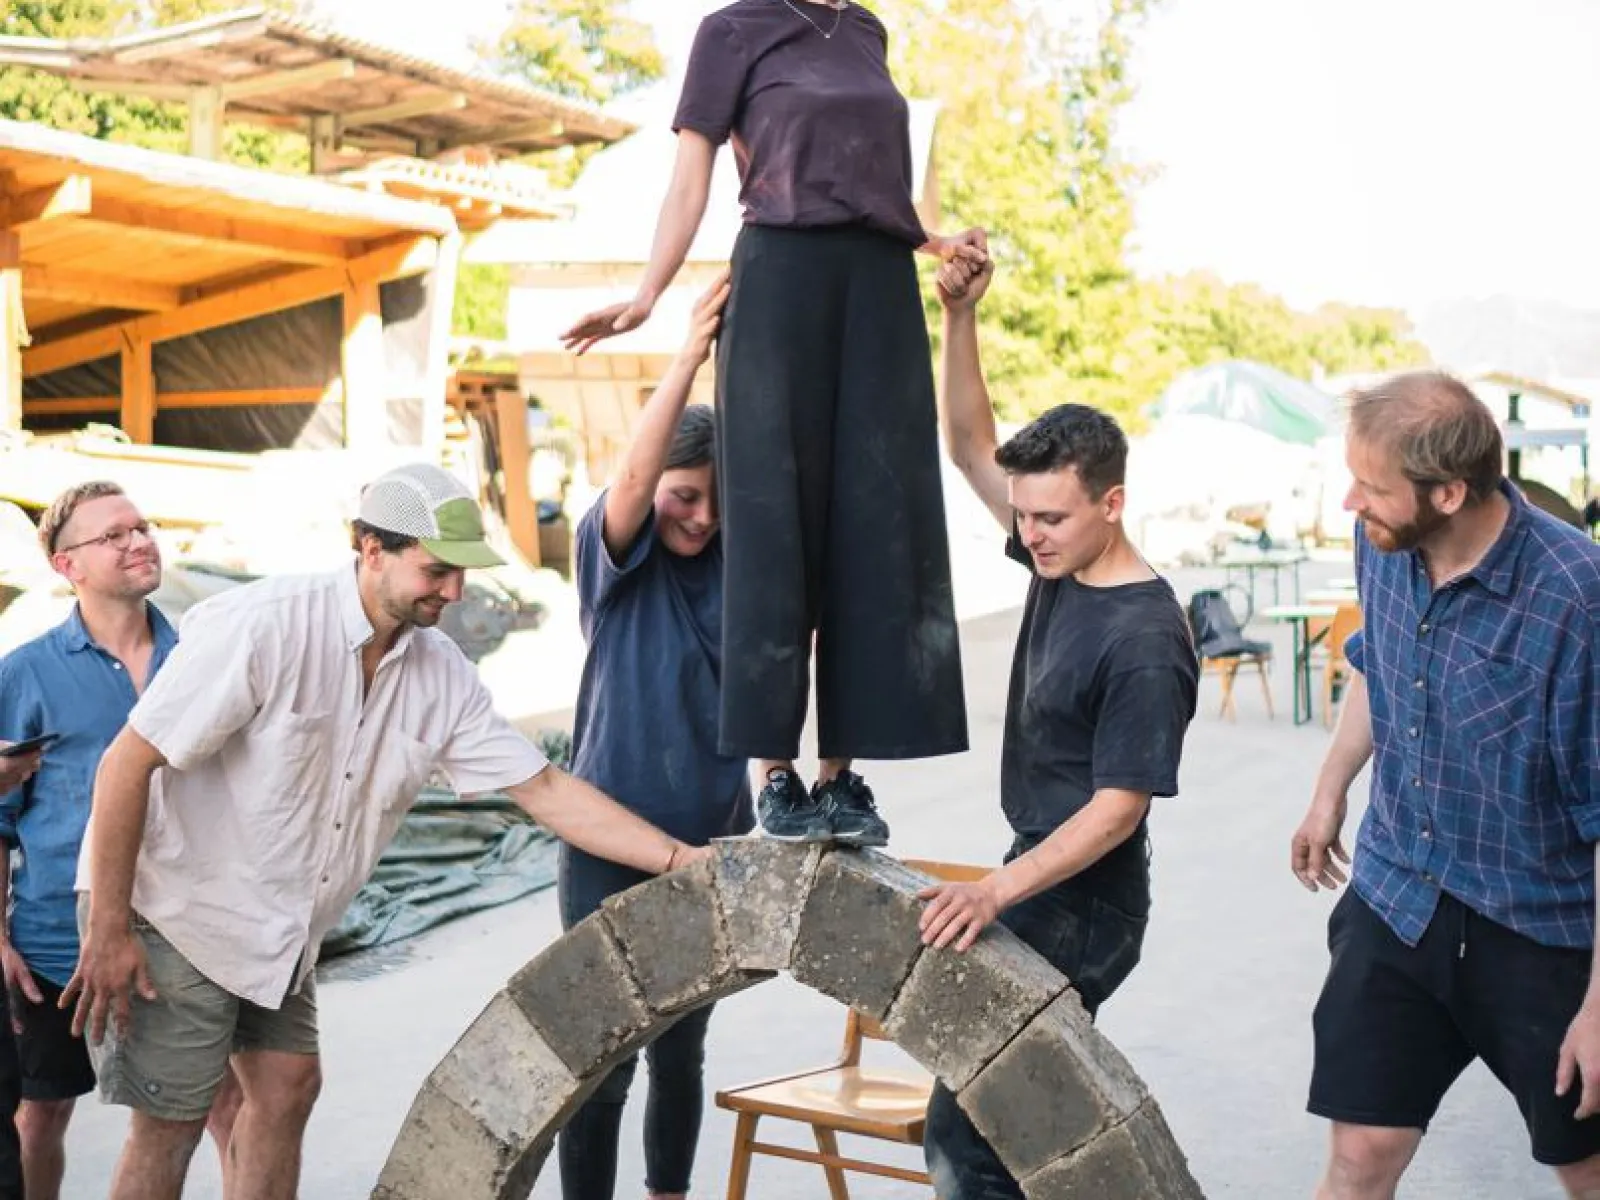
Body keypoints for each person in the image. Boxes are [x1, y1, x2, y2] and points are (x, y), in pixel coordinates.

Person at [62, 463, 716, 1200]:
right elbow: (126, 764)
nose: (455, 592)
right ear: (371, 549)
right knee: (172, 1123)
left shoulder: (439, 672)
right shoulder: (266, 627)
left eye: (462, 573)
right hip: (174, 908)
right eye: (437, 570)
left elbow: (544, 789)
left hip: (279, 924)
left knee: (287, 1087)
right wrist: (110, 928)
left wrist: (677, 857)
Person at [560, 0, 989, 848]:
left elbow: (863, 181)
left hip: (877, 288)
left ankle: (841, 779)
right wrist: (649, 296)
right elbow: (692, 182)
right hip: (779, 282)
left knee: (874, 521)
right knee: (772, 521)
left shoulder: (866, 29)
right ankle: (775, 774)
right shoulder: (732, 30)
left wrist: (932, 241)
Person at [916, 256, 1199, 1197]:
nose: (1029, 534)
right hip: (1041, 866)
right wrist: (960, 316)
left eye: (1051, 518)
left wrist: (999, 892)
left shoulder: (1146, 637)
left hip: (1089, 902)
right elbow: (967, 443)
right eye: (1025, 514)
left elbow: (1118, 810)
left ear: (1112, 504)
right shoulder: (1059, 560)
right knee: (999, 1118)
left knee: (971, 1128)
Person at [1290, 372, 1600, 1200]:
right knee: (1357, 1158)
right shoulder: (1382, 539)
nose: (1352, 502)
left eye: (1373, 485)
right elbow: (1378, 668)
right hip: (1400, 897)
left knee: (1587, 1168)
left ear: (1452, 492)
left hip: (1539, 930)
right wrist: (1331, 790)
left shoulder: (1577, 596)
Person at [556, 274, 751, 1200]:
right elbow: (634, 480)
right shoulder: (614, 550)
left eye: (716, 500)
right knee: (600, 1063)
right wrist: (687, 355)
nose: (700, 516)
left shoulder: (741, 564)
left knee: (682, 1051)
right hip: (607, 840)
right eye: (684, 496)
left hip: (715, 838)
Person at [0, 483, 240, 1200]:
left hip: (192, 935)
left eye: (143, 526)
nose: (139, 540)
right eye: (114, 535)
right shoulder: (25, 673)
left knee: (224, 1108)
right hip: (54, 946)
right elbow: (1, 817)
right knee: (40, 1116)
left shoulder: (205, 656)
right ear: (66, 565)